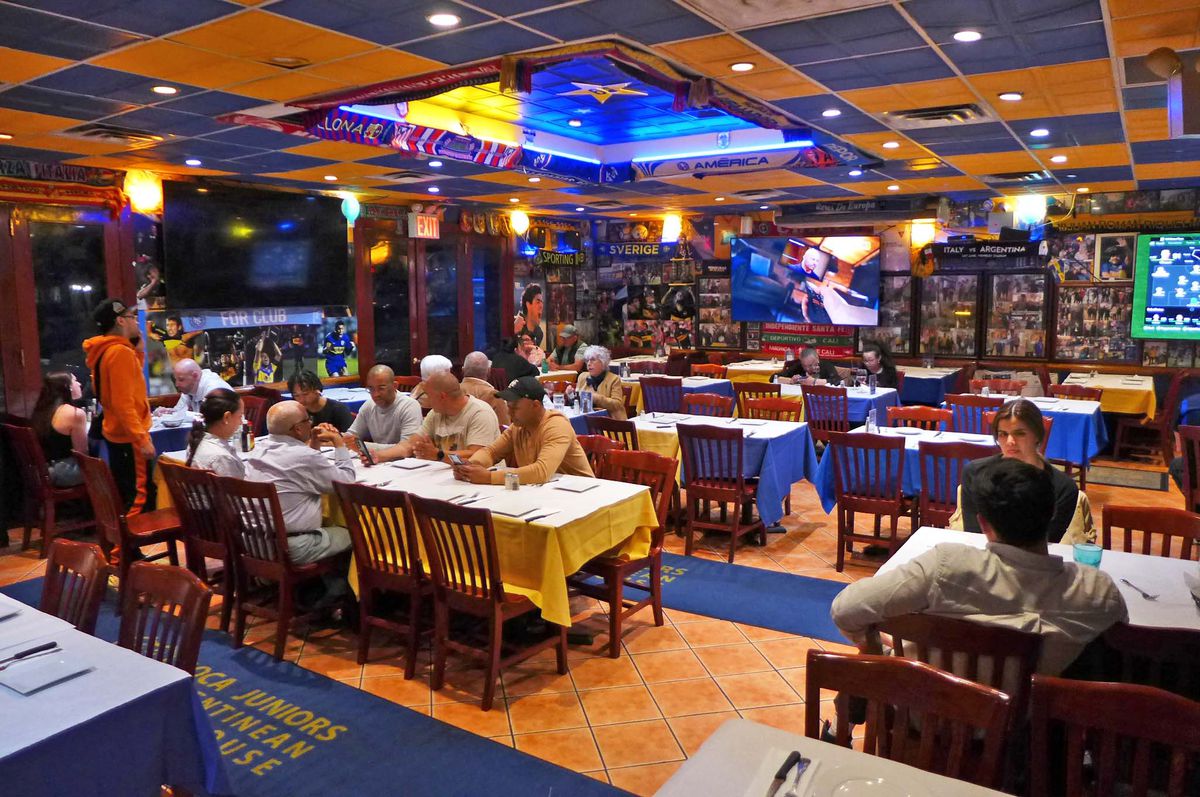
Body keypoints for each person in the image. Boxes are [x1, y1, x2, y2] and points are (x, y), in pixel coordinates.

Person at [831, 457, 1127, 676]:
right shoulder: (1097, 591)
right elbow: (1121, 655)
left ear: (983, 524)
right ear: (1052, 515)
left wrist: (885, 655)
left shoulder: (945, 567)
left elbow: (844, 610)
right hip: (1025, 738)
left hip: (923, 721)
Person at [955, 399, 1084, 544]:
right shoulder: (975, 473)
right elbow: (975, 535)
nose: (1010, 441)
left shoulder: (1064, 488)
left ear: (1038, 435)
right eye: (1003, 434)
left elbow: (1046, 542)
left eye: (1019, 433)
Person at [244, 401, 353, 567]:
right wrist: (339, 443)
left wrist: (314, 443)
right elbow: (346, 482)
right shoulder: (303, 457)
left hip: (253, 542)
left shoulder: (256, 450)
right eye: (307, 420)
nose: (311, 423)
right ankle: (339, 590)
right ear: (298, 429)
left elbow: (306, 474)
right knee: (359, 534)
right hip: (292, 546)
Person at [84, 298, 156, 514]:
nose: (136, 321)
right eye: (131, 317)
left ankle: (128, 547)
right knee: (139, 498)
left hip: (117, 433)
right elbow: (123, 403)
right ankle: (124, 548)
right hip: (129, 438)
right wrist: (142, 439)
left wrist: (140, 352)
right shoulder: (120, 353)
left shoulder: (105, 351)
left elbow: (124, 385)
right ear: (120, 321)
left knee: (128, 493)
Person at [453, 376, 593, 485]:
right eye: (508, 407)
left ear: (536, 405)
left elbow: (541, 472)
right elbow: (491, 452)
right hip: (547, 494)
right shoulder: (518, 427)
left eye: (515, 408)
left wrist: (489, 477)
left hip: (581, 496)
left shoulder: (556, 425)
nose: (509, 413)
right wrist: (471, 466)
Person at [374, 371, 499, 463]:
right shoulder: (436, 413)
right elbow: (408, 445)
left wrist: (439, 455)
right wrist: (379, 456)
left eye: (428, 395)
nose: (427, 400)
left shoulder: (480, 413)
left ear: (442, 396)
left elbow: (476, 455)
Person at [344, 364, 423, 451]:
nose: (375, 394)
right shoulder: (369, 406)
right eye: (371, 389)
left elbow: (408, 447)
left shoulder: (409, 406)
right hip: (379, 461)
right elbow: (350, 437)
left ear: (395, 386)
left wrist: (361, 446)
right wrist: (333, 436)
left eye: (381, 388)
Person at [30, 371, 87, 487]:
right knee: (107, 468)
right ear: (68, 388)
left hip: (39, 472)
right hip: (60, 473)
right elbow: (82, 454)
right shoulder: (75, 414)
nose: (79, 384)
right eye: (75, 381)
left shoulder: (41, 411)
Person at [183, 388, 246, 478]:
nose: (241, 422)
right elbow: (236, 490)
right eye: (240, 416)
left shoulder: (195, 443)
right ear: (226, 417)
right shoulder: (222, 457)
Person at [288, 370, 354, 433]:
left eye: (305, 394)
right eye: (296, 395)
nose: (301, 400)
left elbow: (350, 438)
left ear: (317, 390)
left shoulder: (339, 409)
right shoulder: (295, 411)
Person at [576, 345, 627, 421]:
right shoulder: (582, 377)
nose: (589, 363)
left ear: (603, 362)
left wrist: (596, 398)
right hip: (587, 419)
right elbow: (577, 401)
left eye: (593, 360)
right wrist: (570, 395)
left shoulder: (614, 379)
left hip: (610, 421)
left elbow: (617, 405)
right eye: (587, 360)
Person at [460, 351, 510, 426]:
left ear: (462, 370)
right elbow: (504, 430)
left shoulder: (451, 392)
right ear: (489, 371)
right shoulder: (496, 397)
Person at [514, 284, 545, 348]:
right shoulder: (514, 324)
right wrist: (513, 332)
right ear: (528, 305)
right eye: (538, 302)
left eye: (542, 302)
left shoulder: (539, 333)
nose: (541, 306)